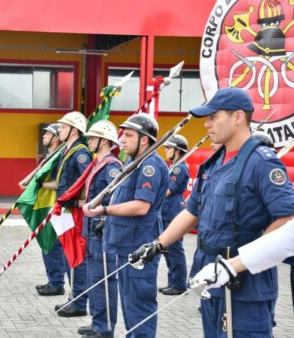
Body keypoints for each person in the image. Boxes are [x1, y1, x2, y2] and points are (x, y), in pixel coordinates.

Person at [129, 88, 294, 337]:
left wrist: (243, 262)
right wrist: (157, 245)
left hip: (245, 284)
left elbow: (288, 218)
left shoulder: (262, 161)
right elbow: (192, 212)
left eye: (213, 117)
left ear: (238, 116)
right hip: (210, 277)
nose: (206, 124)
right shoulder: (215, 163)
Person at [85, 113, 168, 336]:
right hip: (125, 245)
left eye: (128, 135)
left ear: (144, 139)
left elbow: (141, 206)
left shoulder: (150, 164)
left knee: (139, 307)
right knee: (130, 307)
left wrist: (104, 210)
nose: (121, 139)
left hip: (139, 245)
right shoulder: (133, 162)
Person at [39, 111, 92, 317]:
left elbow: (89, 181)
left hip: (74, 211)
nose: (59, 129)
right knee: (69, 256)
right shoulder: (65, 151)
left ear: (74, 130)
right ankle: (74, 297)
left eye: (63, 127)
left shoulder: (80, 152)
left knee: (77, 256)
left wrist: (79, 202)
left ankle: (79, 301)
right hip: (64, 208)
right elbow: (63, 183)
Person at [79, 120, 122, 338]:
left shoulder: (112, 166)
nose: (89, 142)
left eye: (93, 138)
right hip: (92, 229)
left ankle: (105, 328)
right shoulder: (98, 164)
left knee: (104, 279)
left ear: (104, 141)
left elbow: (115, 198)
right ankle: (97, 321)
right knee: (94, 278)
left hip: (102, 230)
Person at [18, 123, 64, 294]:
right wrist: (28, 181)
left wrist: (40, 184)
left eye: (48, 134)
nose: (44, 136)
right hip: (45, 205)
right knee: (46, 244)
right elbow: (38, 172)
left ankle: (57, 283)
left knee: (52, 244)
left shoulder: (60, 156)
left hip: (54, 205)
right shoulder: (50, 156)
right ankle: (52, 280)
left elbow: (61, 184)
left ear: (56, 138)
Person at [158, 134, 190, 296]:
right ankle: (172, 281)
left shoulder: (179, 168)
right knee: (168, 249)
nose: (165, 150)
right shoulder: (172, 166)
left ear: (177, 151)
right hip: (166, 211)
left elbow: (168, 191)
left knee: (175, 248)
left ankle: (179, 284)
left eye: (169, 148)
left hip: (173, 210)